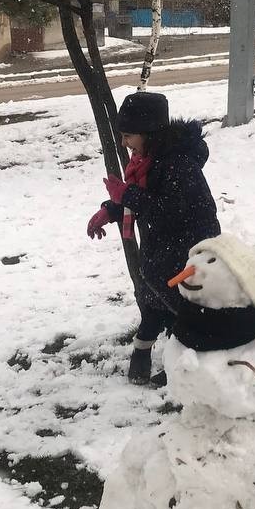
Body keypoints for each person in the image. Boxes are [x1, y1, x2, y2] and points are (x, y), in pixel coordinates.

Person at [87, 90, 220, 384]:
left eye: (128, 135)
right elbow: (148, 199)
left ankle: (190, 366)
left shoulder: (177, 163)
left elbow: (169, 210)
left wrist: (127, 195)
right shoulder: (149, 159)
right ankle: (143, 354)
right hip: (164, 249)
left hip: (189, 250)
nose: (124, 143)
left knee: (184, 311)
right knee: (155, 303)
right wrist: (111, 210)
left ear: (148, 132)